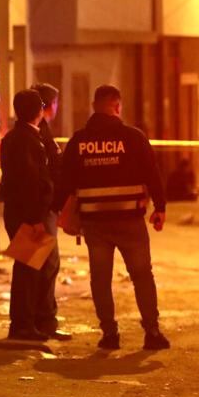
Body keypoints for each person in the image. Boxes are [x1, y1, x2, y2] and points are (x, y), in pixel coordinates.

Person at [52, 85, 170, 351]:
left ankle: (109, 334)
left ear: (95, 106)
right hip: (130, 221)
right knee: (142, 275)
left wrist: (56, 210)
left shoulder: (79, 141)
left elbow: (65, 181)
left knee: (101, 279)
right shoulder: (134, 137)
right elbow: (153, 173)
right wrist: (160, 208)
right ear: (117, 106)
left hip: (95, 225)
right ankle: (152, 332)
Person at [0, 89, 54, 341]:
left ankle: (25, 322)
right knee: (28, 271)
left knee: (28, 268)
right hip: (29, 214)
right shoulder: (29, 139)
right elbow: (31, 180)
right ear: (39, 111)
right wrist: (36, 216)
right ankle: (22, 324)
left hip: (19, 211)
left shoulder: (13, 137)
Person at [29, 83, 71, 341]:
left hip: (44, 209)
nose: (57, 108)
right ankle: (41, 321)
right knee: (43, 264)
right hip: (41, 211)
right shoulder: (36, 134)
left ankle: (39, 321)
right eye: (55, 103)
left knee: (41, 264)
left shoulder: (40, 132)